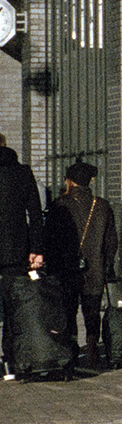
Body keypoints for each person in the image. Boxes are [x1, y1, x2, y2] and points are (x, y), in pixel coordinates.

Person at [46, 161, 117, 367]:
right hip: (95, 266)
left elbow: (50, 239)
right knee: (92, 309)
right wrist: (107, 265)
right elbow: (111, 239)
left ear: (70, 181)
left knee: (69, 309)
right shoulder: (102, 205)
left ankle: (72, 348)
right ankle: (93, 343)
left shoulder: (60, 204)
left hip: (66, 268)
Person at [0, 143, 47, 377]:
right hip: (15, 252)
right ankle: (11, 361)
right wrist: (36, 249)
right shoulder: (22, 173)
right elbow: (36, 214)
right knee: (13, 308)